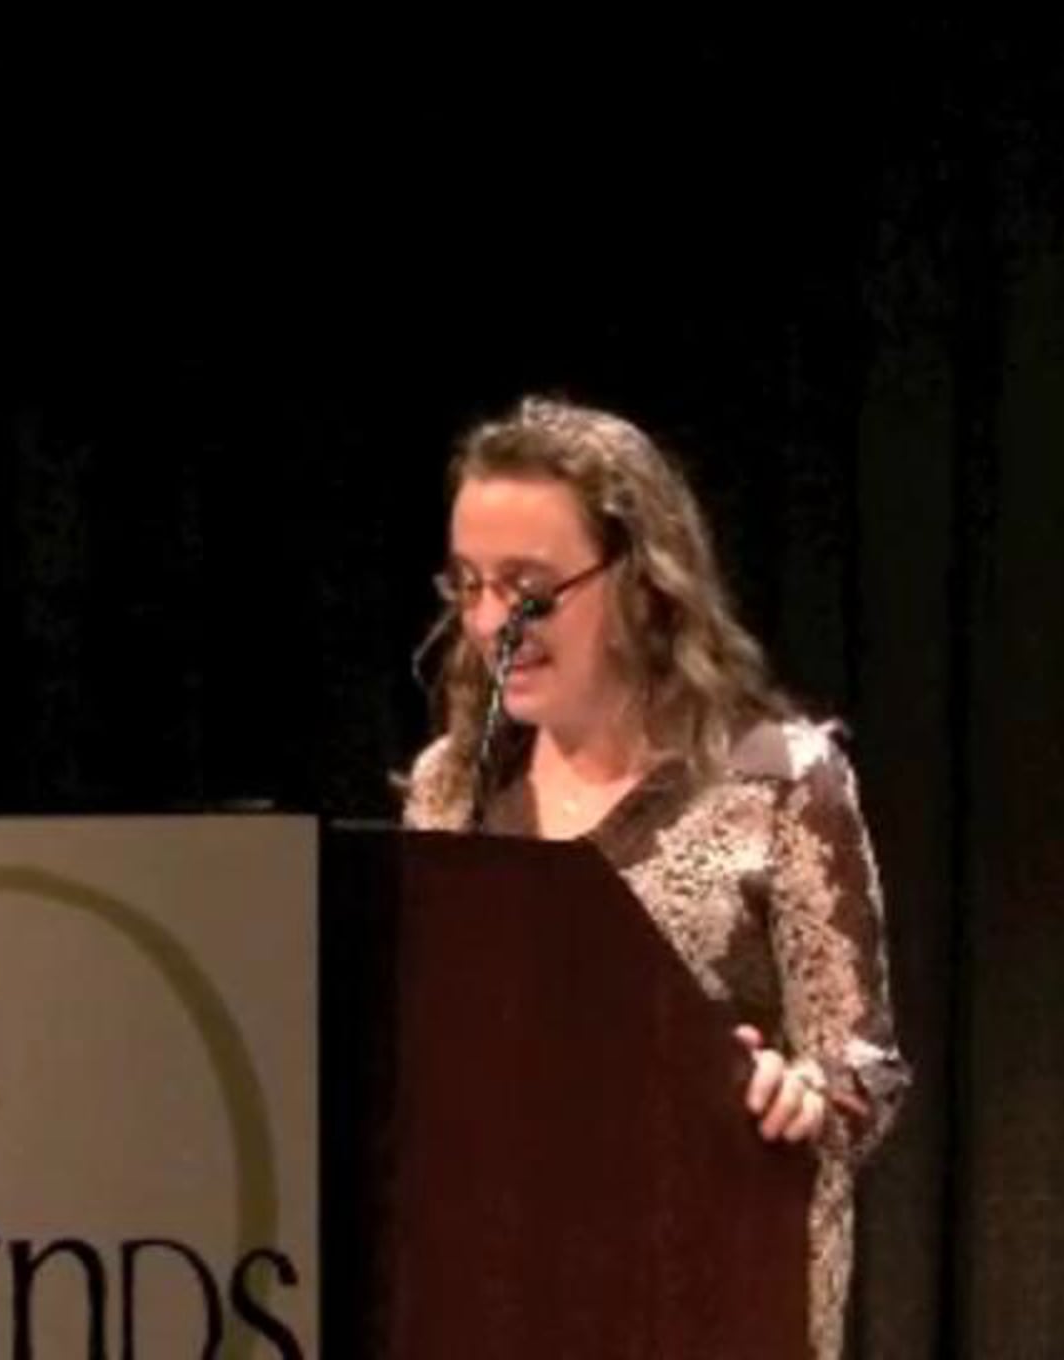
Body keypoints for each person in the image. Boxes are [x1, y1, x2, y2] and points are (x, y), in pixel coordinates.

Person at [399, 395, 911, 1360]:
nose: (493, 623)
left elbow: (865, 1073)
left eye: (530, 590)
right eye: (469, 586)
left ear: (641, 581)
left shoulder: (777, 781)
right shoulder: (453, 786)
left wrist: (800, 1092)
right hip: (498, 1292)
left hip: (698, 1293)